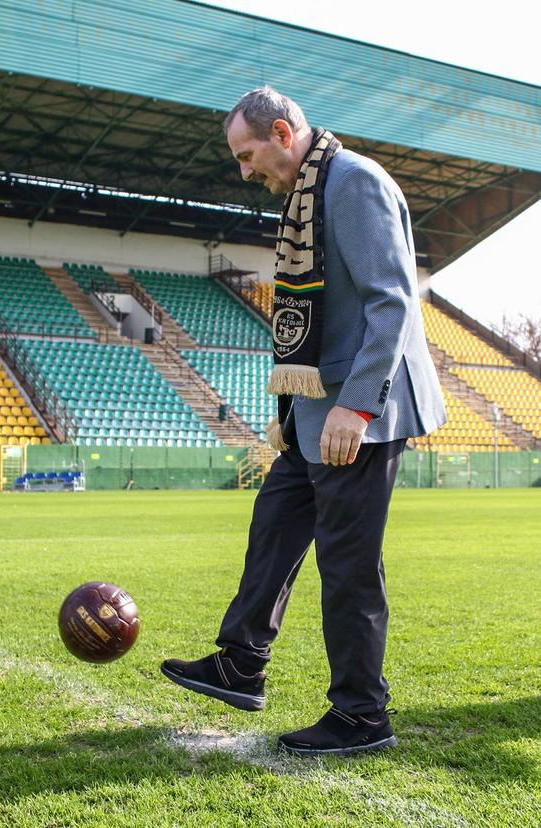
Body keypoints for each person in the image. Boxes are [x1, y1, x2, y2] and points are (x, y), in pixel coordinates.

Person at [161, 87, 446, 757]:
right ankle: (240, 662)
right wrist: (292, 412)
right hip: (317, 410)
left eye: (246, 155)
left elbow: (392, 302)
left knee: (347, 564)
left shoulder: (353, 183)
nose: (244, 171)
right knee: (276, 522)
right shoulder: (308, 193)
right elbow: (316, 321)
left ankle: (361, 715)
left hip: (361, 412)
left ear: (282, 132)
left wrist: (357, 405)